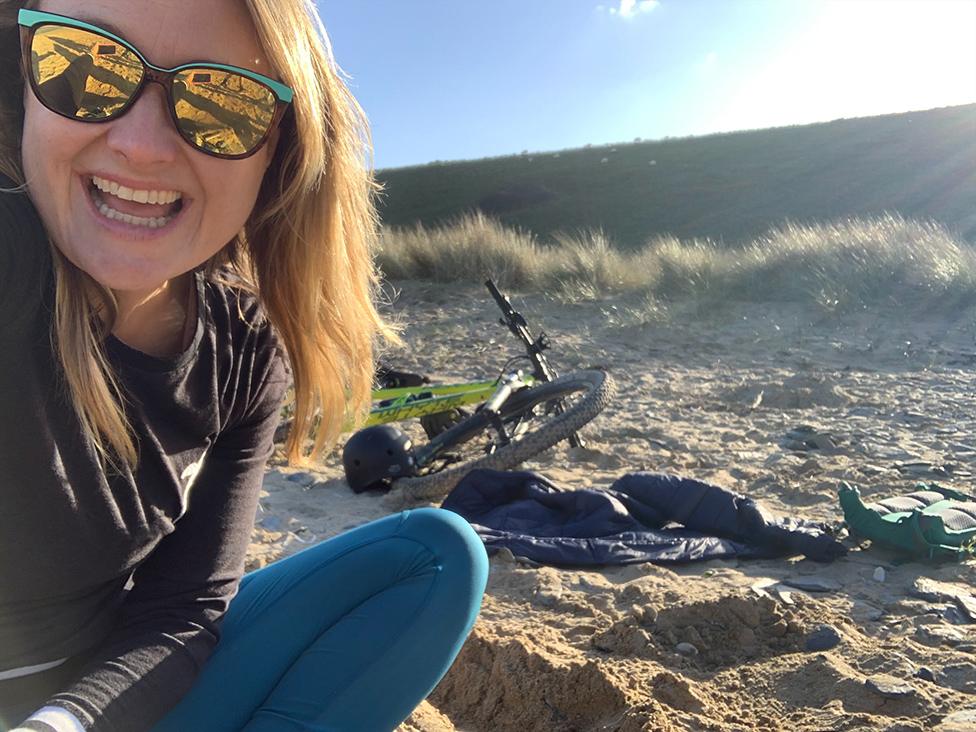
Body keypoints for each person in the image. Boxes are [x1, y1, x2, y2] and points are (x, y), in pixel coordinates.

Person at [0, 1, 489, 730]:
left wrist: (65, 722)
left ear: (277, 152)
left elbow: (182, 606)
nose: (142, 144)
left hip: (100, 701)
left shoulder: (243, 348)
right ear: (22, 82)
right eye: (84, 66)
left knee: (436, 557)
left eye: (219, 101)